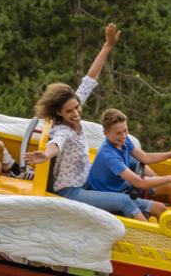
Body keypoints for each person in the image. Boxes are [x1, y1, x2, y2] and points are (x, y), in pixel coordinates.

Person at [24, 24, 151, 219]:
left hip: (86, 177)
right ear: (59, 112)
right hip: (72, 191)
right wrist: (46, 155)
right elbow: (56, 145)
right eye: (69, 111)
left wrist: (107, 46)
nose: (76, 113)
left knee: (133, 160)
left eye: (77, 107)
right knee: (124, 201)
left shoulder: (73, 106)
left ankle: (159, 191)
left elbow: (90, 78)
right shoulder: (63, 131)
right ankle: (147, 235)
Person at [85, 108, 171, 220]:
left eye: (125, 130)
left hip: (124, 185)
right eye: (118, 133)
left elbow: (145, 157)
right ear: (106, 133)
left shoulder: (123, 140)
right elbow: (139, 182)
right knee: (160, 208)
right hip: (114, 195)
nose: (124, 135)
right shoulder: (109, 156)